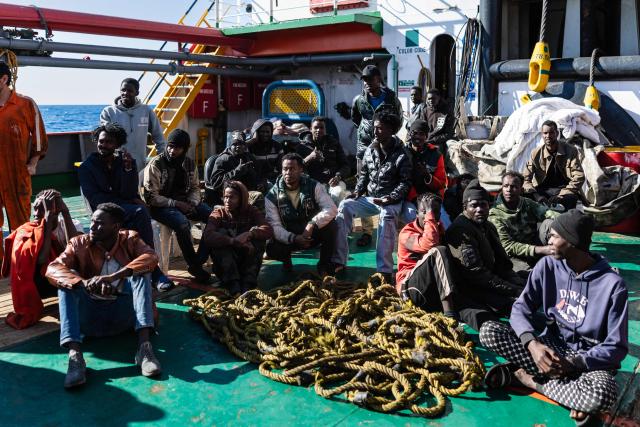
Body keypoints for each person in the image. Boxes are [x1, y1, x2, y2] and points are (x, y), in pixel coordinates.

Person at [480, 210, 627, 425]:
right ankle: (570, 395)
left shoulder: (613, 285)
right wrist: (532, 345)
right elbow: (520, 308)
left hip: (587, 360)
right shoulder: (547, 265)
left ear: (572, 241)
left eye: (554, 236)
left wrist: (574, 363)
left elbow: (616, 348)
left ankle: (529, 380)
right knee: (489, 332)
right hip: (551, 348)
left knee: (602, 396)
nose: (548, 240)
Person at [46, 203, 162, 389]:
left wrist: (116, 277)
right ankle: (75, 357)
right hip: (90, 318)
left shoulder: (130, 239)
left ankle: (144, 348)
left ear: (116, 227)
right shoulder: (78, 244)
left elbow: (151, 257)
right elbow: (53, 268)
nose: (92, 227)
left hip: (125, 317)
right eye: (92, 222)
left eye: (99, 224)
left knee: (141, 273)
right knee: (66, 282)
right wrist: (84, 283)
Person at [79, 123, 174, 291]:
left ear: (117, 144)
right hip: (102, 212)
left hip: (124, 208)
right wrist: (125, 204)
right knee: (139, 212)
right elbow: (96, 199)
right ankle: (153, 271)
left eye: (109, 142)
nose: (104, 145)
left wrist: (128, 170)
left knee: (138, 214)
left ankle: (147, 268)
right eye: (101, 141)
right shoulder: (87, 167)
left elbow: (129, 193)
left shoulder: (124, 161)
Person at [332, 112, 411, 281]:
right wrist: (358, 192)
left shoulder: (402, 154)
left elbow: (405, 182)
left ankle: (384, 269)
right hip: (371, 198)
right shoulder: (370, 150)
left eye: (380, 128)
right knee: (344, 206)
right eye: (374, 128)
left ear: (391, 130)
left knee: (387, 216)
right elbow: (364, 176)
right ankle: (338, 260)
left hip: (391, 199)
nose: (375, 132)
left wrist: (390, 198)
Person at [445, 179, 526, 330]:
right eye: (474, 205)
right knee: (513, 306)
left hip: (488, 280)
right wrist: (513, 289)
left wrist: (518, 283)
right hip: (470, 288)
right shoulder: (461, 230)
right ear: (465, 207)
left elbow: (503, 264)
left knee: (528, 281)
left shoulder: (487, 226)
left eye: (483, 204)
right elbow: (476, 274)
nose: (479, 209)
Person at [2, 190, 81, 329]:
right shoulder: (28, 230)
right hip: (42, 284)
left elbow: (78, 251)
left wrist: (66, 213)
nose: (36, 213)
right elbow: (41, 261)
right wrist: (47, 226)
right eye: (35, 208)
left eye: (41, 209)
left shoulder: (70, 224)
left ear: (55, 211)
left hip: (67, 275)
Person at [142, 128, 212, 283]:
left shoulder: (189, 163)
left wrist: (193, 202)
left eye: (177, 147)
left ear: (185, 149)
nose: (172, 150)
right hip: (160, 206)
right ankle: (194, 264)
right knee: (182, 223)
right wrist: (177, 204)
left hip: (185, 202)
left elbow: (195, 188)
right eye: (170, 146)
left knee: (213, 217)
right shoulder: (156, 164)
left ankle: (198, 260)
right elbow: (151, 197)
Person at [0, 62, 48, 262]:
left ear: (3, 79)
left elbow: (39, 137)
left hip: (17, 173)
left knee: (20, 222)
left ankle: (21, 262)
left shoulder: (25, 104)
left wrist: (33, 162)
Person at [351, 64, 403, 247]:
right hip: (364, 145)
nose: (367, 83)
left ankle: (388, 228)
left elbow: (399, 118)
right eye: (364, 80)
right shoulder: (359, 100)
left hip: (386, 146)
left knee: (388, 182)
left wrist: (386, 134)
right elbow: (356, 118)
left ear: (379, 79)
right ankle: (366, 232)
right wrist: (368, 131)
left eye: (370, 79)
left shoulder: (390, 97)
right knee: (362, 185)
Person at [265, 153, 338, 275]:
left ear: (301, 170)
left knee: (332, 226)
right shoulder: (271, 196)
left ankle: (324, 265)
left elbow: (331, 208)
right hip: (290, 237)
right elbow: (275, 225)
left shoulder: (314, 186)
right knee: (271, 247)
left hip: (311, 234)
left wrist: (312, 223)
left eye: (292, 169)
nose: (288, 172)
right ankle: (286, 261)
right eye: (285, 169)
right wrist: (293, 238)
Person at [201, 181, 273, 295]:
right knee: (220, 233)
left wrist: (250, 234)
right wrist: (232, 241)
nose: (227, 201)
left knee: (259, 238)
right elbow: (208, 235)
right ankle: (233, 284)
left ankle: (248, 283)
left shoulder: (251, 211)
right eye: (225, 197)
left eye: (232, 197)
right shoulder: (219, 212)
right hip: (226, 269)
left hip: (245, 262)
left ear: (241, 199)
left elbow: (268, 229)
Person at [396, 193, 458, 319]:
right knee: (438, 251)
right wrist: (430, 215)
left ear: (440, 215)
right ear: (416, 214)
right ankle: (450, 315)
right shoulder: (406, 233)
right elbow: (430, 245)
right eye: (424, 211)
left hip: (429, 288)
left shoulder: (438, 229)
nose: (429, 216)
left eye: (434, 212)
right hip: (410, 289)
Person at [489, 171, 560, 271]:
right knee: (531, 276)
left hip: (534, 244)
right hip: (513, 255)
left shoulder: (526, 203)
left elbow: (547, 212)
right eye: (506, 186)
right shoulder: (495, 213)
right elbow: (508, 246)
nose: (509, 190)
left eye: (514, 187)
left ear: (521, 190)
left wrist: (569, 221)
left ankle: (565, 253)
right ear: (502, 188)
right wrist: (541, 250)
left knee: (550, 223)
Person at [100, 77, 166, 169]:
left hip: (139, 166)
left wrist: (163, 160)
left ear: (137, 93)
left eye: (130, 90)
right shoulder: (108, 112)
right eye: (123, 90)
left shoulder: (146, 111)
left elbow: (158, 136)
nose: (125, 93)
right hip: (116, 165)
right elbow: (104, 142)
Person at [523, 120, 585, 210]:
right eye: (545, 133)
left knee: (571, 198)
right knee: (524, 196)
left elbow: (579, 176)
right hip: (542, 191)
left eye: (551, 132)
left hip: (563, 190)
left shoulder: (570, 150)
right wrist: (537, 196)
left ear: (556, 133)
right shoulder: (535, 153)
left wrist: (563, 194)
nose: (548, 136)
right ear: (542, 134)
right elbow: (525, 179)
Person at [296, 116, 351, 204]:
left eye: (321, 127)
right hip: (313, 184)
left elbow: (346, 166)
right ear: (310, 129)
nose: (318, 130)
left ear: (325, 130)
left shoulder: (334, 143)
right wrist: (309, 158)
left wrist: (338, 176)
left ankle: (338, 216)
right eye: (316, 127)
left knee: (338, 194)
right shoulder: (302, 147)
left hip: (334, 182)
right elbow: (296, 168)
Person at [209, 131, 265, 201]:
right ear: (230, 145)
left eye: (241, 144)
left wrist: (261, 183)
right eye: (235, 144)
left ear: (245, 146)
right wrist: (237, 171)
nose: (238, 146)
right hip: (231, 196)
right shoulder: (223, 159)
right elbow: (215, 182)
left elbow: (260, 174)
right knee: (258, 197)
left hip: (249, 192)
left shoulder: (249, 157)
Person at [247, 118, 284, 188]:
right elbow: (238, 149)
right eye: (262, 131)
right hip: (254, 181)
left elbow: (280, 168)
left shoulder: (277, 146)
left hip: (272, 181)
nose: (265, 134)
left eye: (267, 132)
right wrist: (253, 139)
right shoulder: (250, 146)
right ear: (256, 132)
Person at [423, 89, 454, 155]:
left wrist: (433, 140)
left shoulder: (446, 112)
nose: (431, 101)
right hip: (426, 140)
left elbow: (448, 133)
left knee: (436, 152)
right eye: (429, 99)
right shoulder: (425, 110)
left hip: (439, 142)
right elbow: (422, 127)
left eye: (433, 98)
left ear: (439, 98)